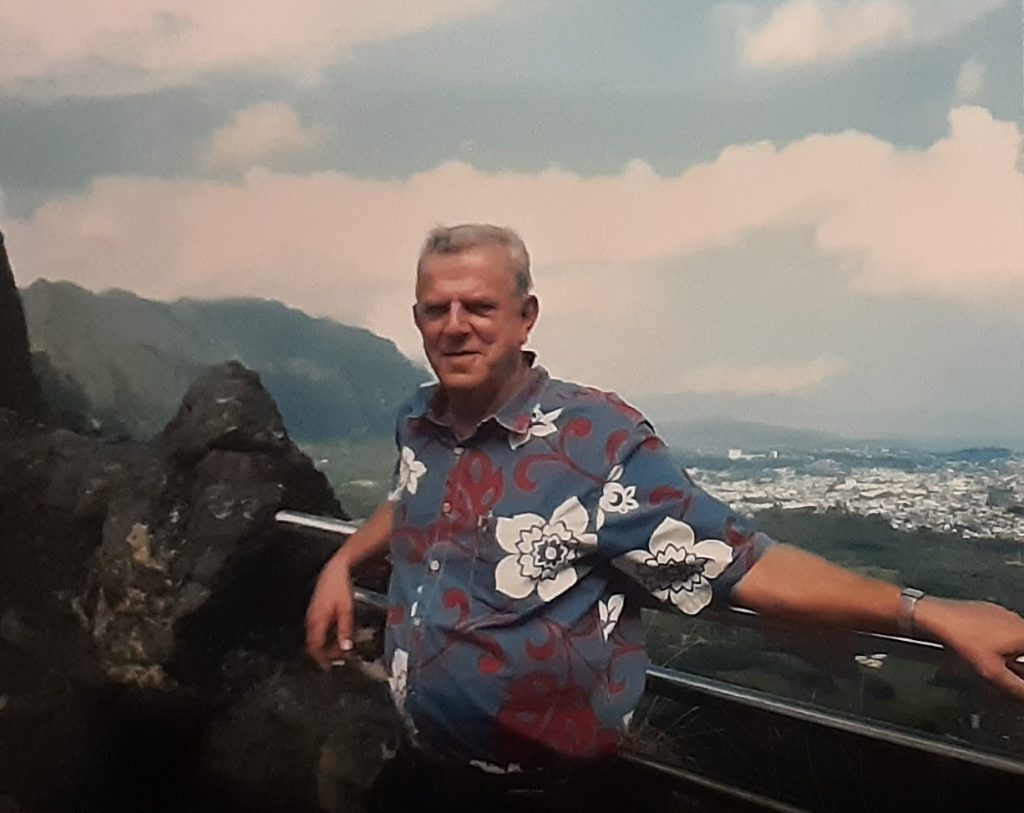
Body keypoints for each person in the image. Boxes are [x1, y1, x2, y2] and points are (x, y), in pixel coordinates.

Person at [306, 223, 1024, 806]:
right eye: (437, 309)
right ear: (418, 320)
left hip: (549, 792)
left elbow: (742, 563)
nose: (456, 326)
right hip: (428, 771)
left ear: (526, 317)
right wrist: (343, 561)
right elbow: (413, 498)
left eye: (479, 307)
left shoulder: (596, 440)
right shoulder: (421, 420)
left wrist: (922, 612)